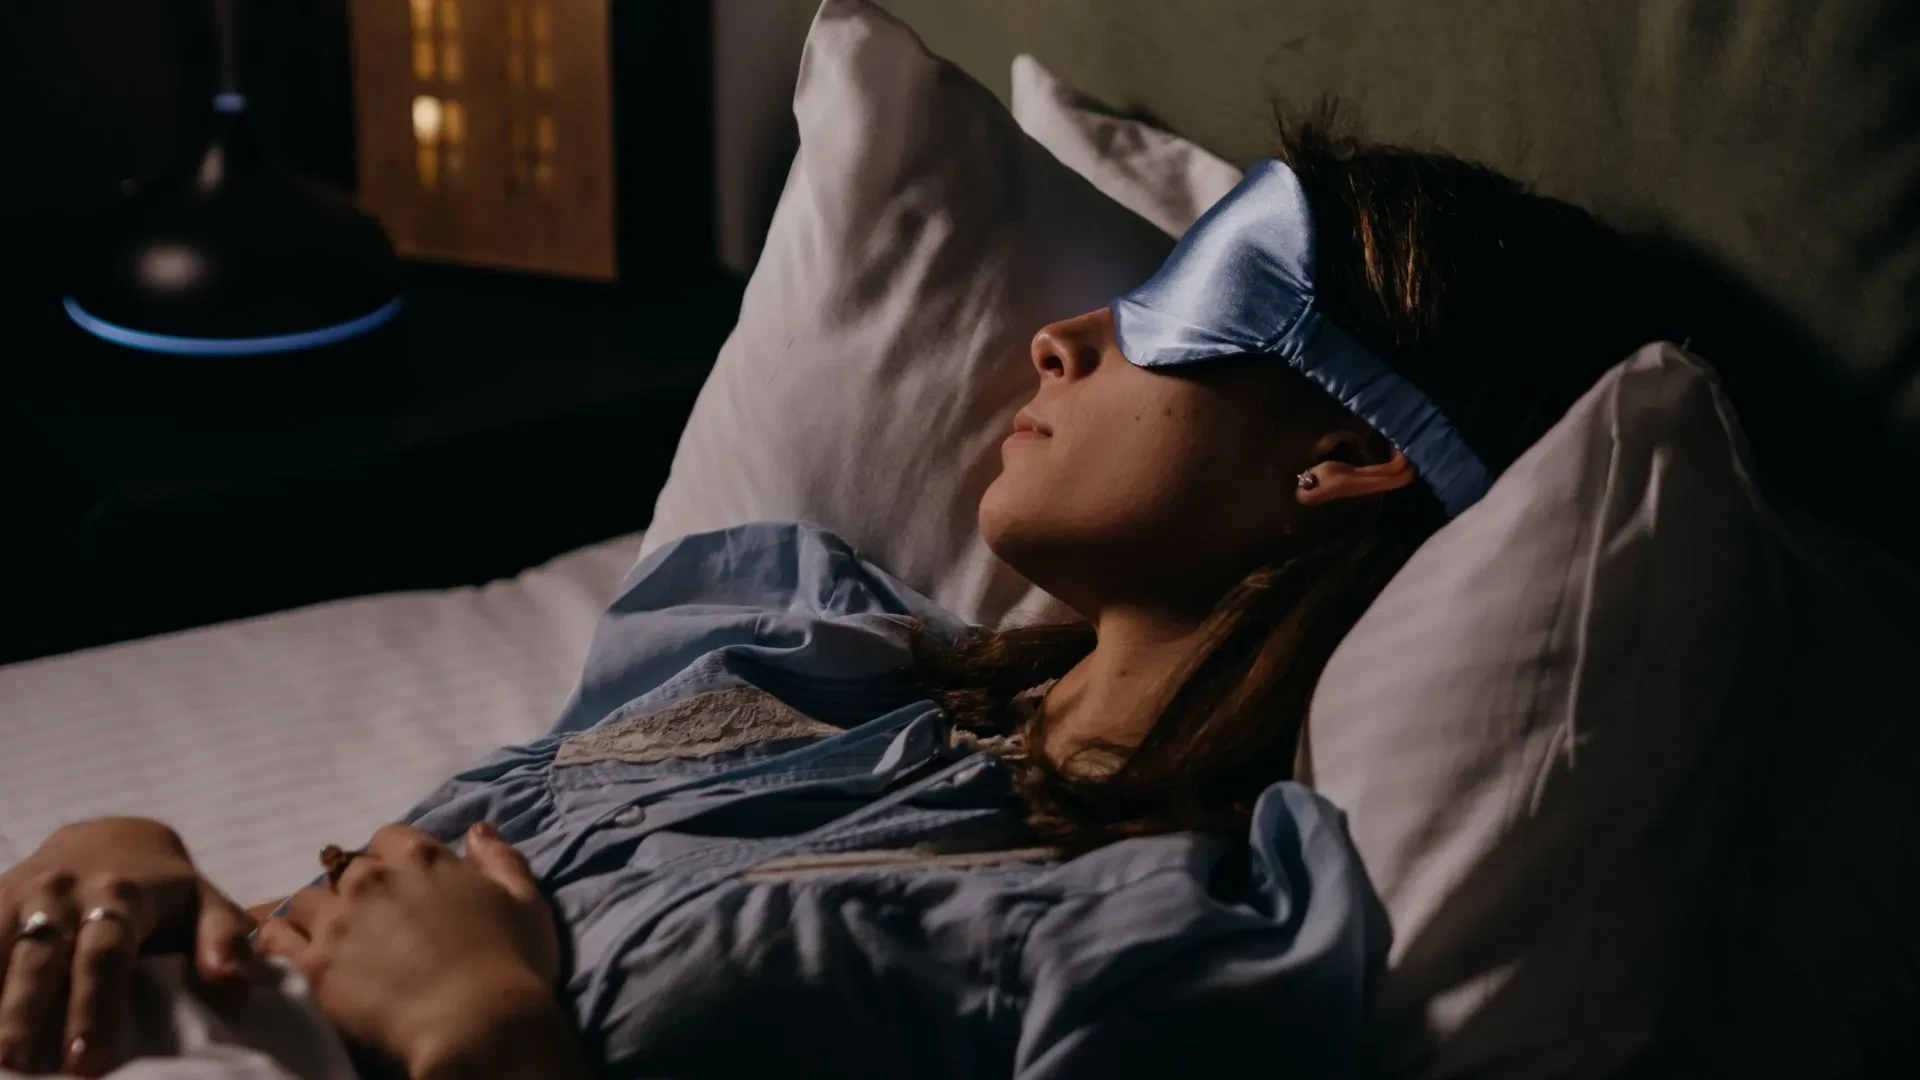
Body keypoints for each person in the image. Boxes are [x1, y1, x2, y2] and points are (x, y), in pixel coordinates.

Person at [0, 115, 1651, 1079]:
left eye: (1177, 313)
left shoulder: (1156, 938)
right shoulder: (797, 648)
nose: (1060, 339)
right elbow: (377, 908)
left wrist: (492, 1040)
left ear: (1347, 453)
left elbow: (451, 985)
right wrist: (148, 875)